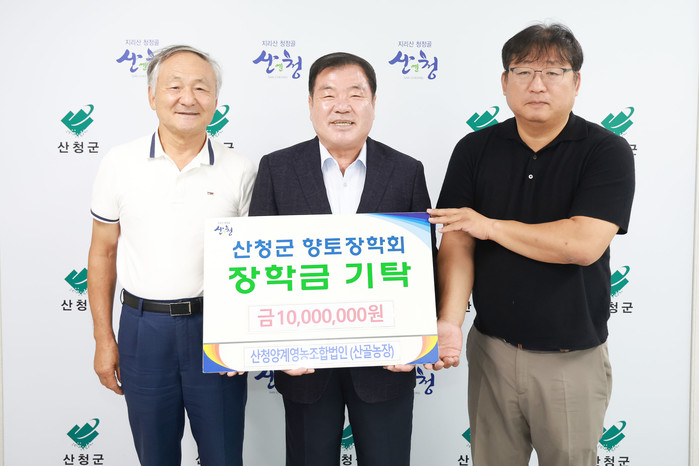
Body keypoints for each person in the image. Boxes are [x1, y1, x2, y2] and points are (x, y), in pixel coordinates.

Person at [427, 23, 635, 466]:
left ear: (576, 82)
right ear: (505, 82)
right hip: (492, 350)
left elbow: (582, 244)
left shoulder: (606, 151)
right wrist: (450, 321)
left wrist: (490, 226)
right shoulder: (474, 149)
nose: (537, 85)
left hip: (570, 359)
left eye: (553, 72)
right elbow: (457, 241)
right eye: (523, 72)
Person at [249, 52, 431, 466]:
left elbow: (424, 267)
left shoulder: (406, 171)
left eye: (356, 94)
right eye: (328, 95)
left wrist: (415, 342)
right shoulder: (277, 168)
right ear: (311, 104)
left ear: (373, 103)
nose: (342, 106)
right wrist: (276, 348)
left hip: (387, 364)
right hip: (304, 365)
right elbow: (259, 270)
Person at [87, 45, 256, 466]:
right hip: (143, 331)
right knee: (155, 456)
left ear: (215, 100)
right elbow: (103, 252)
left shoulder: (240, 169)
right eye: (175, 86)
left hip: (215, 330)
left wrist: (242, 337)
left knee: (223, 455)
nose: (188, 98)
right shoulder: (119, 162)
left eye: (201, 88)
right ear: (152, 96)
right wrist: (103, 339)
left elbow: (255, 263)